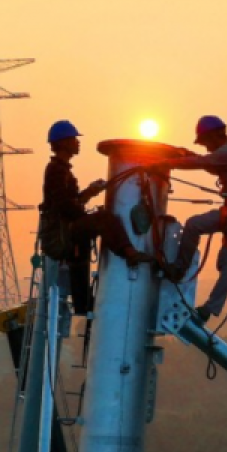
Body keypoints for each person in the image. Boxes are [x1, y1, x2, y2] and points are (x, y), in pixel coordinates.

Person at [150, 115, 227, 322]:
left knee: (193, 225)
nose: (207, 148)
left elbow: (203, 163)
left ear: (213, 136)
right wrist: (186, 155)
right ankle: (209, 310)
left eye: (205, 143)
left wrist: (165, 163)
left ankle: (178, 270)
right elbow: (209, 164)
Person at [39, 120, 151, 313]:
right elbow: (64, 206)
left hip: (65, 230)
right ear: (63, 142)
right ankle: (129, 253)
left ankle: (83, 304)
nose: (77, 143)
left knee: (80, 259)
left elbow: (69, 202)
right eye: (74, 139)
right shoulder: (56, 171)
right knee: (105, 219)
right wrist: (88, 214)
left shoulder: (61, 170)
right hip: (62, 232)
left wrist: (90, 193)